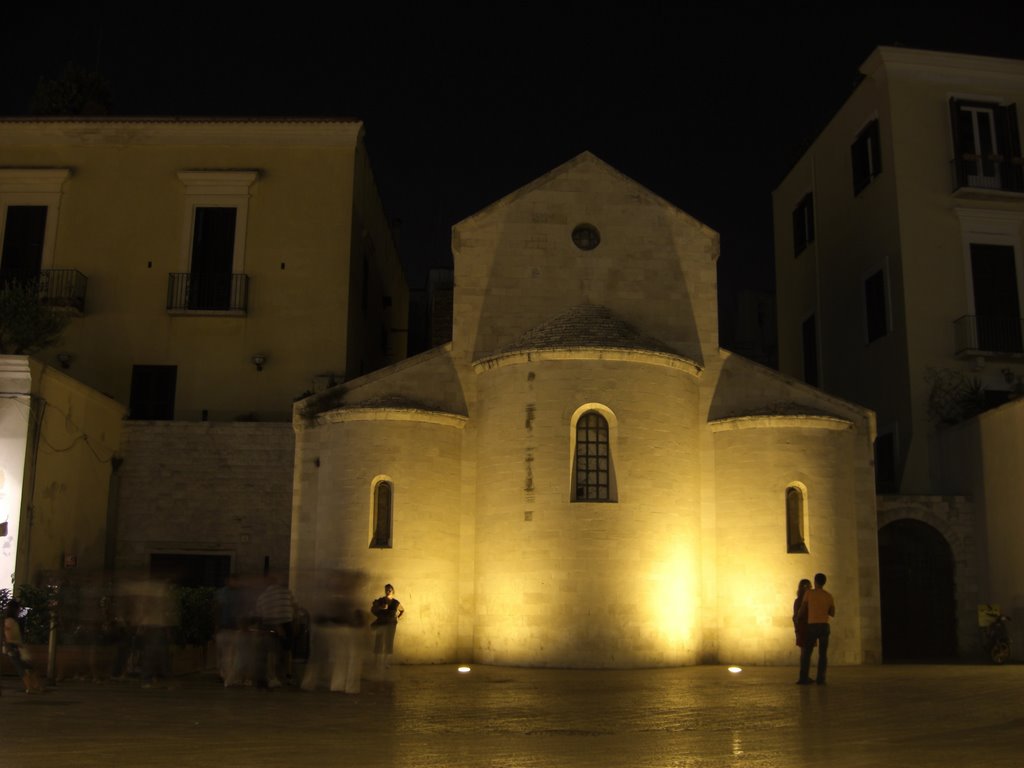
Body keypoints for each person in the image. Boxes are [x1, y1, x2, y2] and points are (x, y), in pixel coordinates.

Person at [256, 575, 296, 687]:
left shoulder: (262, 596)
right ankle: (287, 676)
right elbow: (294, 607)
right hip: (286, 624)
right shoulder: (286, 593)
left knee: (272, 652)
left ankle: (273, 677)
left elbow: (260, 614)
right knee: (287, 651)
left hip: (270, 625)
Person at [797, 572, 835, 685]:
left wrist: (798, 617)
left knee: (807, 653)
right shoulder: (828, 595)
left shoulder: (809, 593)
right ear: (824, 582)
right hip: (824, 626)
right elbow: (832, 613)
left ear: (815, 581)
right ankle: (821, 679)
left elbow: (803, 609)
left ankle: (804, 678)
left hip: (812, 625)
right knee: (823, 654)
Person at [3, 600, 44, 693]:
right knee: (25, 667)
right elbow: (9, 635)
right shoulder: (10, 621)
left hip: (16, 646)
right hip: (15, 647)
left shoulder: (12, 620)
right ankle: (31, 687)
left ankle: (33, 686)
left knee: (26, 667)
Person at [370, 584, 404, 671]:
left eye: (389, 590)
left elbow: (402, 610)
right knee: (379, 641)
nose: (388, 591)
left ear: (393, 591)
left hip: (391, 624)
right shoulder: (380, 601)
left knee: (389, 642)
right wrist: (380, 608)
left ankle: (386, 662)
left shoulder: (396, 602)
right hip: (381, 623)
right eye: (386, 590)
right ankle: (376, 662)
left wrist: (398, 617)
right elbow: (373, 609)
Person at [792, 578, 813, 650]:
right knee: (805, 651)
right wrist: (797, 630)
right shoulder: (798, 601)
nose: (810, 589)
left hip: (809, 628)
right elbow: (795, 617)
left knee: (807, 651)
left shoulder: (810, 600)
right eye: (808, 587)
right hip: (803, 628)